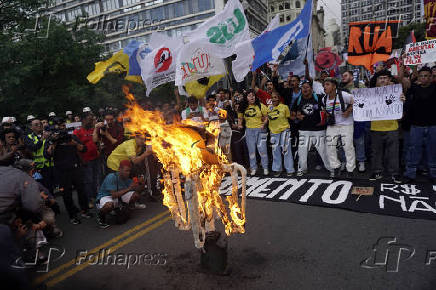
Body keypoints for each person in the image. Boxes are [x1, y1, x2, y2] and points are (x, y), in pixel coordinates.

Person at [44, 128, 91, 224]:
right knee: (67, 195)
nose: (62, 138)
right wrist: (54, 144)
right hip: (62, 172)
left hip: (76, 168)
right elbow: (47, 156)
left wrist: (74, 143)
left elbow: (84, 149)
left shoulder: (72, 137)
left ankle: (85, 211)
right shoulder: (51, 141)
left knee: (82, 191)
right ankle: (72, 216)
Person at [401, 65, 436, 184]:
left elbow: (425, 96)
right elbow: (407, 103)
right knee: (413, 150)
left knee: (433, 150)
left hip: (433, 126)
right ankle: (410, 174)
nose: (424, 78)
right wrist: (404, 99)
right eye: (421, 76)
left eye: (426, 76)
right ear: (418, 77)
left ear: (431, 77)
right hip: (416, 126)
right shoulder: (413, 88)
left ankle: (433, 174)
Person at [368, 70, 404, 183]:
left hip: (392, 126)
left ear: (389, 80)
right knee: (376, 152)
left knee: (393, 152)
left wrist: (402, 101)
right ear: (376, 81)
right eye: (380, 78)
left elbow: (401, 115)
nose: (383, 79)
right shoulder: (369, 93)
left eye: (385, 77)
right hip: (376, 127)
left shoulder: (397, 92)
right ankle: (377, 171)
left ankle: (395, 173)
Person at [291, 80, 331, 176]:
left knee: (324, 153)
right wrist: (297, 117)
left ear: (312, 89)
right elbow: (291, 115)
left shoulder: (319, 98)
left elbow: (329, 109)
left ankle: (331, 169)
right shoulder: (298, 100)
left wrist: (326, 114)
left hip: (319, 131)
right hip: (304, 131)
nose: (305, 89)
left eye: (307, 87)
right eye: (303, 87)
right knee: (302, 154)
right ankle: (302, 169)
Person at [96, 160, 146, 228]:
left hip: (119, 196)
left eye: (129, 171)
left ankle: (127, 209)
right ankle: (100, 216)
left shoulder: (127, 178)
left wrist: (142, 183)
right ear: (119, 169)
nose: (128, 173)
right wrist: (129, 188)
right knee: (109, 206)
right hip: (106, 196)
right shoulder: (111, 177)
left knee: (135, 195)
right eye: (126, 171)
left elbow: (138, 191)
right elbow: (113, 195)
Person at [322, 77, 356, 178]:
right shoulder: (324, 99)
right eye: (324, 85)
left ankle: (350, 170)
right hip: (333, 125)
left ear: (334, 86)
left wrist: (348, 111)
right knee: (329, 146)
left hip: (347, 124)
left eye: (327, 84)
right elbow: (325, 109)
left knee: (348, 147)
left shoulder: (343, 95)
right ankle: (336, 166)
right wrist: (327, 114)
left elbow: (357, 101)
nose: (325, 87)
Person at [340, 70, 368, 173]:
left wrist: (359, 92)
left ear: (352, 77)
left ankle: (361, 161)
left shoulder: (360, 85)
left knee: (359, 140)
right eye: (342, 76)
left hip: (358, 118)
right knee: (344, 141)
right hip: (345, 118)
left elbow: (367, 98)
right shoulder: (340, 87)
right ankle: (344, 160)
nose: (343, 77)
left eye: (345, 75)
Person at [237, 90, 269, 176]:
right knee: (251, 151)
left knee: (262, 150)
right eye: (249, 96)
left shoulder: (261, 106)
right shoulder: (243, 107)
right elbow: (240, 118)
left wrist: (264, 124)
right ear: (246, 98)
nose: (252, 97)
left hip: (260, 130)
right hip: (249, 130)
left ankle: (265, 167)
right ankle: (253, 168)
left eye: (253, 95)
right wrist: (239, 125)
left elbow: (266, 117)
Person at [74, 110, 101, 207]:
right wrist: (81, 160)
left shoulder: (92, 130)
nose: (91, 121)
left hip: (96, 159)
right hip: (86, 160)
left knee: (96, 179)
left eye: (92, 119)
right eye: (89, 119)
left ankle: (96, 197)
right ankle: (89, 200)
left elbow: (97, 142)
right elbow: (76, 147)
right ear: (83, 120)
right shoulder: (77, 131)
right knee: (88, 181)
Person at [268, 91, 295, 177]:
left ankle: (290, 169)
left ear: (279, 98)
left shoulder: (284, 107)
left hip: (284, 130)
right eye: (272, 98)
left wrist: (297, 116)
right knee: (275, 151)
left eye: (275, 97)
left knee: (286, 150)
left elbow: (290, 117)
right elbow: (267, 119)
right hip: (273, 132)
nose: (273, 99)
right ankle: (277, 169)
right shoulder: (269, 108)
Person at [23, 118, 53, 192]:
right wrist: (42, 139)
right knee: (43, 190)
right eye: (36, 125)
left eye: (40, 124)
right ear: (31, 127)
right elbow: (33, 148)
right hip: (39, 168)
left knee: (51, 189)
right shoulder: (28, 137)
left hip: (51, 165)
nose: (39, 125)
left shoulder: (49, 134)